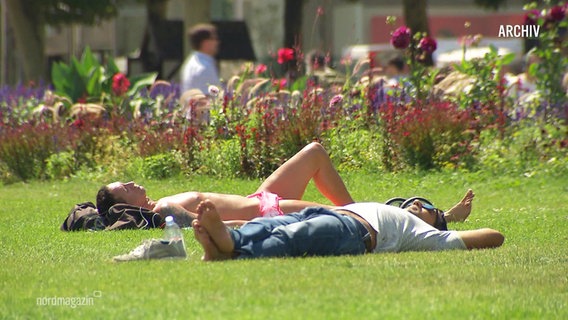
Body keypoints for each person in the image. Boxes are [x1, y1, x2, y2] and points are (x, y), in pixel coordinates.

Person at [96, 142, 473, 227]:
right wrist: (250, 226)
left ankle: (364, 218)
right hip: (266, 211)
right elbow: (210, 226)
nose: (132, 182)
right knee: (346, 216)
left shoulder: (161, 201)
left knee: (315, 152)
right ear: (120, 202)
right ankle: (441, 219)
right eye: (124, 187)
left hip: (261, 197)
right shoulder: (163, 212)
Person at [191, 199, 504, 261]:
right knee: (270, 224)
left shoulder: (425, 236)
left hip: (352, 232)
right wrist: (446, 214)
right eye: (414, 201)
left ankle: (229, 244)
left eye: (427, 208)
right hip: (329, 214)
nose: (417, 204)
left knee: (292, 239)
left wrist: (445, 220)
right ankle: (224, 246)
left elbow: (495, 236)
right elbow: (441, 217)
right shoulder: (398, 211)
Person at [180, 23, 221, 94]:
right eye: (214, 39)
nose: (217, 42)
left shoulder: (192, 62)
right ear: (205, 42)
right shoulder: (204, 68)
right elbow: (207, 98)